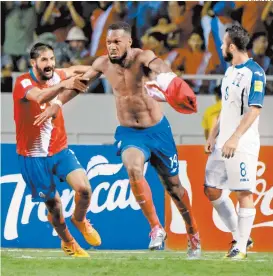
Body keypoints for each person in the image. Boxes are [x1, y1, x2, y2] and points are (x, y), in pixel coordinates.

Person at [34, 22, 201, 258]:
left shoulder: (143, 57)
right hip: (129, 133)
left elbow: (159, 65)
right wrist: (57, 104)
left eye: (116, 42)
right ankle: (156, 228)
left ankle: (192, 231)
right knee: (133, 169)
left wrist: (170, 79)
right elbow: (80, 85)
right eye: (108, 43)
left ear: (129, 42)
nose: (111, 47)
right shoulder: (102, 63)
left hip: (157, 131)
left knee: (174, 188)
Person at [13, 42, 101, 257]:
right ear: (33, 63)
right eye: (44, 60)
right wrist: (65, 84)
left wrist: (101, 67)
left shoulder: (59, 74)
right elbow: (40, 97)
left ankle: (80, 220)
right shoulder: (22, 82)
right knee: (54, 205)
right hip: (33, 156)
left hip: (59, 149)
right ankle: (68, 242)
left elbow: (82, 72)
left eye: (51, 59)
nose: (49, 63)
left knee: (84, 190)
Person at [204, 25, 265, 259]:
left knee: (243, 192)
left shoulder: (255, 73)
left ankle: (239, 247)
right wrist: (213, 134)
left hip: (242, 144)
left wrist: (235, 137)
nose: (220, 47)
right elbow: (225, 107)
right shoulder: (229, 71)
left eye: (222, 43)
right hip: (222, 143)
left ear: (231, 46)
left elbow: (254, 109)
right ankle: (241, 235)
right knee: (211, 189)